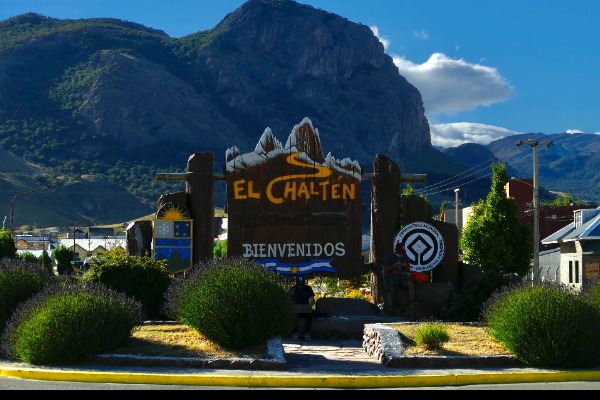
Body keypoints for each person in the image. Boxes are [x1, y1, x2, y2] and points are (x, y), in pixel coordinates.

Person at [384, 242, 415, 314]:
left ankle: (412, 301)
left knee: (410, 283)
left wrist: (404, 265)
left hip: (402, 275)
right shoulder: (390, 257)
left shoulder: (404, 256)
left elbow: (409, 269)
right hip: (393, 275)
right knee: (392, 289)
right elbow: (386, 269)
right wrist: (394, 266)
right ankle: (390, 305)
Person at [291, 275, 315, 341]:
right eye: (299, 284)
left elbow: (312, 300)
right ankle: (295, 333)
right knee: (292, 316)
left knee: (310, 316)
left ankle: (307, 334)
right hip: (296, 308)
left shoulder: (308, 288)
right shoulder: (293, 289)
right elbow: (289, 300)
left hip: (306, 308)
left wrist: (309, 307)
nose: (300, 286)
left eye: (301, 284)